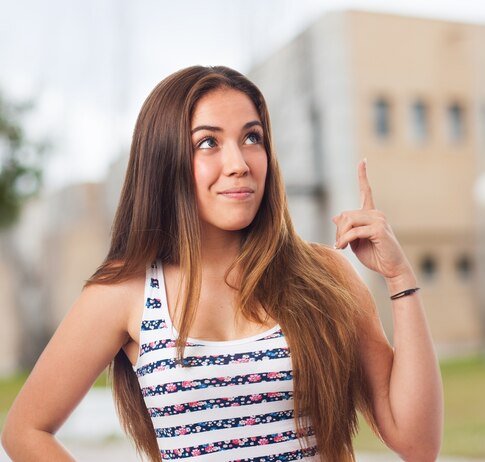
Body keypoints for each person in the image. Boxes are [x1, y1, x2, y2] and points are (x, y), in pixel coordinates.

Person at [1, 66, 443, 461]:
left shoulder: (324, 275)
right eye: (208, 143)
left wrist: (399, 278)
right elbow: (25, 431)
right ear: (164, 160)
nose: (238, 164)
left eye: (252, 138)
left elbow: (417, 444)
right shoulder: (126, 293)